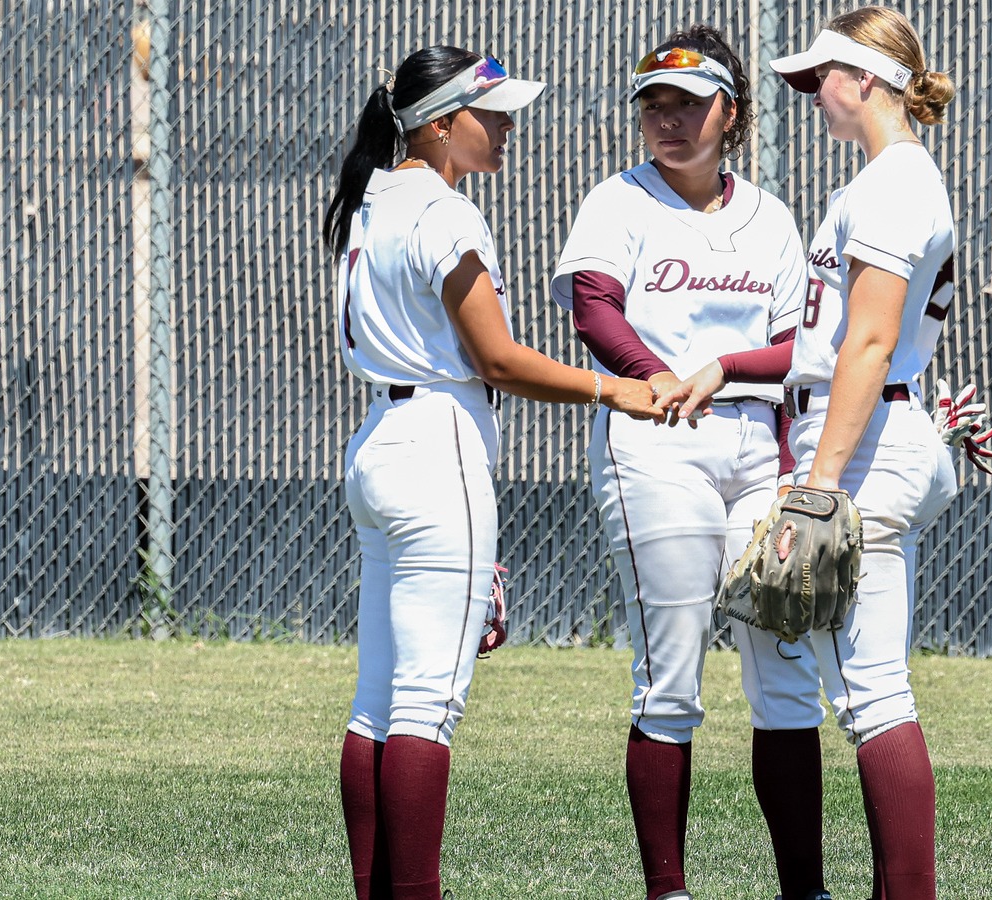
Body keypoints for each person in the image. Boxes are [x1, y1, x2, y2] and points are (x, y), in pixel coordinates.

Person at [322, 47, 663, 900]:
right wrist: (613, 389)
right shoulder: (443, 210)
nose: (507, 125)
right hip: (438, 448)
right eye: (492, 112)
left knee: (377, 704)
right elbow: (499, 361)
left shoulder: (370, 197)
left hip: (379, 443)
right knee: (425, 708)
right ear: (441, 124)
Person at [662, 7, 964, 899]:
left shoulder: (893, 185)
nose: (811, 95)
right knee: (857, 688)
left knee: (873, 695)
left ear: (864, 79)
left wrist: (819, 486)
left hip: (858, 447)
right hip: (865, 430)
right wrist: (728, 367)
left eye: (821, 78)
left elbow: (868, 348)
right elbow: (843, 345)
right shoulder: (882, 179)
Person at [549, 25, 809, 900]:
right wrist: (652, 375)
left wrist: (729, 372)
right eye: (653, 104)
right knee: (672, 666)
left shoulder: (769, 217)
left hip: (754, 442)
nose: (668, 120)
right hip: (657, 440)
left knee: (784, 664)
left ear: (729, 112)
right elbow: (594, 305)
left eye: (688, 104)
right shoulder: (617, 202)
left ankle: (803, 887)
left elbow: (795, 347)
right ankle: (669, 890)